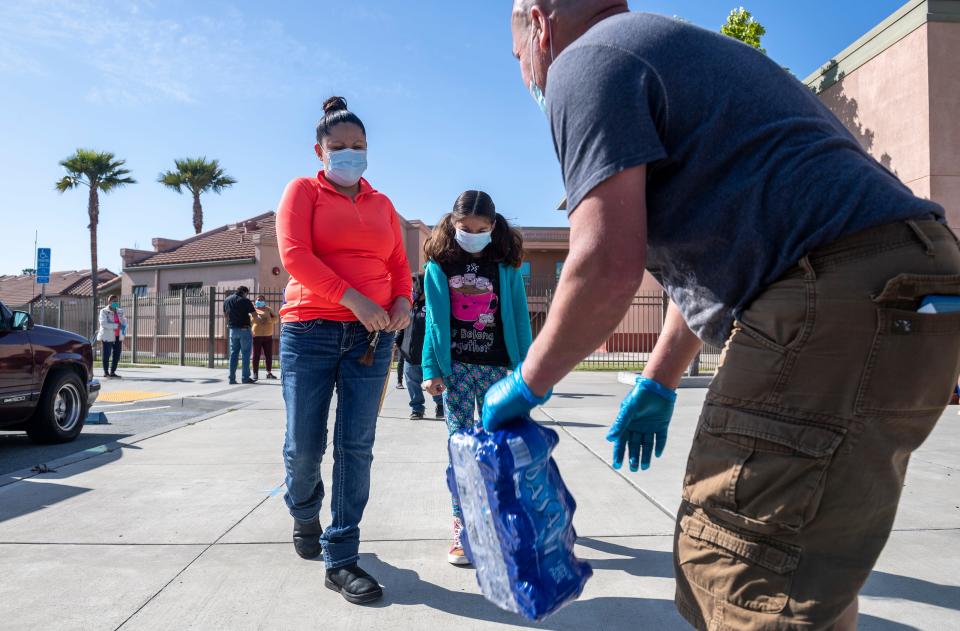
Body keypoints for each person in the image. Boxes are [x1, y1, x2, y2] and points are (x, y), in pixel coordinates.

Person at [481, 3, 960, 629]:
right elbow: (719, 257)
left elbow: (604, 264)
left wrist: (527, 382)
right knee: (801, 568)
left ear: (538, 23)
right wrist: (659, 378)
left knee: (738, 571)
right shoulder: (671, 50)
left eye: (518, 56)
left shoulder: (584, 61)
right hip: (915, 287)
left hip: (836, 295)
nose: (527, 73)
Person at [276, 96, 412, 605]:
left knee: (356, 447)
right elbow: (295, 255)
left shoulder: (382, 205)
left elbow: (400, 264)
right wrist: (352, 298)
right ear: (320, 150)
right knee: (304, 446)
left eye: (358, 147)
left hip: (371, 339)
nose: (349, 154)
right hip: (310, 331)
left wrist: (403, 301)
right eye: (339, 147)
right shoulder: (302, 192)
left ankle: (341, 556)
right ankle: (304, 509)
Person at [422, 190, 532, 566]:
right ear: (452, 224)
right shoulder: (440, 264)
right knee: (462, 451)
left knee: (499, 450)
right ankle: (464, 529)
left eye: (480, 228)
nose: (471, 233)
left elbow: (519, 317)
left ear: (493, 226)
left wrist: (527, 369)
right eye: (464, 227)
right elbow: (433, 325)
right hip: (457, 372)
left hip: (499, 370)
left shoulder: (506, 264)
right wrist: (430, 369)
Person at [396, 275, 444, 420]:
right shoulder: (409, 305)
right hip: (409, 353)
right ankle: (417, 408)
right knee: (411, 382)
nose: (412, 290)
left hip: (428, 354)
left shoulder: (431, 305)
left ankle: (440, 405)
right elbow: (402, 326)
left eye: (414, 286)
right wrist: (396, 341)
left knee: (433, 381)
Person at [223, 286, 256, 385]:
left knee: (233, 354)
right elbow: (254, 315)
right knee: (245, 354)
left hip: (232, 330)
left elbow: (225, 315)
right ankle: (245, 378)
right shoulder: (245, 301)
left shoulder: (227, 300)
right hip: (244, 329)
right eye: (247, 293)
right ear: (244, 292)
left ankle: (231, 379)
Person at [96, 294, 127, 378]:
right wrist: (116, 326)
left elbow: (124, 322)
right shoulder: (104, 311)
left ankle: (113, 372)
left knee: (117, 354)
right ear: (109, 302)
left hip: (118, 336)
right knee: (106, 354)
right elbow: (103, 323)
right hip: (107, 336)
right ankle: (106, 372)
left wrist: (123, 331)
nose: (116, 303)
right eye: (114, 301)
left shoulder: (120, 311)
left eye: (117, 301)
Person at [251, 294, 279, 380]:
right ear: (255, 301)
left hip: (268, 335)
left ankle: (269, 373)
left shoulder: (268, 309)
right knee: (256, 355)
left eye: (261, 300)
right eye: (258, 300)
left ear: (264, 301)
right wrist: (258, 320)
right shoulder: (252, 310)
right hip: (257, 335)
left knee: (268, 355)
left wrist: (269, 320)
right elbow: (250, 320)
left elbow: (276, 318)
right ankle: (255, 373)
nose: (259, 301)